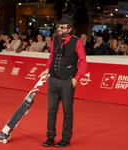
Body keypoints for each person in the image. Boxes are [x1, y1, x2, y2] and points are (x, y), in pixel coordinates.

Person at [39, 14, 87, 148]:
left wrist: (76, 79)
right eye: (58, 27)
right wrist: (47, 69)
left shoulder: (77, 42)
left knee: (67, 112)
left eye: (62, 27)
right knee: (51, 110)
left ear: (70, 29)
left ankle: (66, 139)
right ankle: (50, 137)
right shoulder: (55, 39)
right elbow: (52, 56)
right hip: (53, 80)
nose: (59, 29)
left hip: (67, 81)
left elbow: (83, 63)